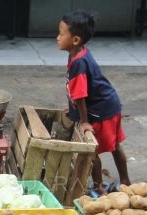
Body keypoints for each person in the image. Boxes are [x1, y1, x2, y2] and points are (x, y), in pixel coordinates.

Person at [57, 10, 130, 196]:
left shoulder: (78, 63)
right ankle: (125, 181)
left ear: (75, 40)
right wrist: (73, 109)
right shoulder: (77, 54)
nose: (57, 37)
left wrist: (83, 121)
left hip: (101, 112)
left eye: (61, 33)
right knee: (114, 146)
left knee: (93, 151)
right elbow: (77, 92)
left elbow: (81, 95)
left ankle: (99, 188)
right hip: (109, 105)